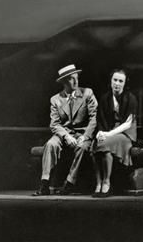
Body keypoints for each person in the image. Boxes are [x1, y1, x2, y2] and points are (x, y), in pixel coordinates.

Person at [34, 64, 97, 196]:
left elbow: (94, 118)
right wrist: (66, 136)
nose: (75, 81)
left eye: (76, 77)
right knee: (51, 144)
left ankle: (69, 183)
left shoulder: (87, 93)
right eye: (71, 79)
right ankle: (44, 183)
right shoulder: (55, 99)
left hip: (82, 133)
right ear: (64, 82)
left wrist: (85, 136)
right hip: (63, 134)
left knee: (82, 147)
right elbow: (54, 124)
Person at [91, 69, 137, 197]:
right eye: (115, 80)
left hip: (125, 133)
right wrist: (100, 133)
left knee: (105, 145)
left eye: (120, 81)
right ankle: (99, 183)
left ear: (125, 83)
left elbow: (128, 124)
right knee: (95, 145)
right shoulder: (105, 98)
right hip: (108, 131)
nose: (117, 83)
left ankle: (106, 182)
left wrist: (108, 135)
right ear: (111, 81)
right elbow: (100, 119)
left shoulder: (131, 98)